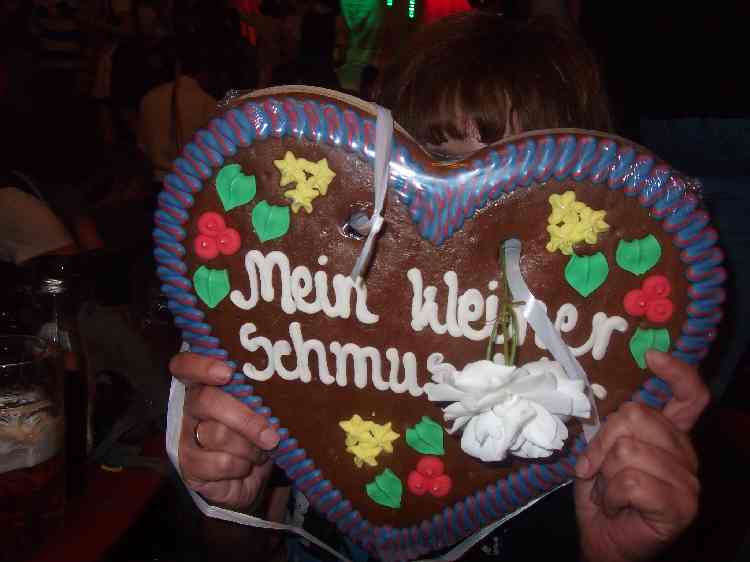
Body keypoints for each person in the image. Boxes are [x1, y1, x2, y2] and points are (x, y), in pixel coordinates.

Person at [166, 11, 708, 562]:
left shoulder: (589, 392)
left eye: (529, 187)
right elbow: (250, 544)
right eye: (445, 160)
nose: (481, 214)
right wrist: (236, 503)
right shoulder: (317, 318)